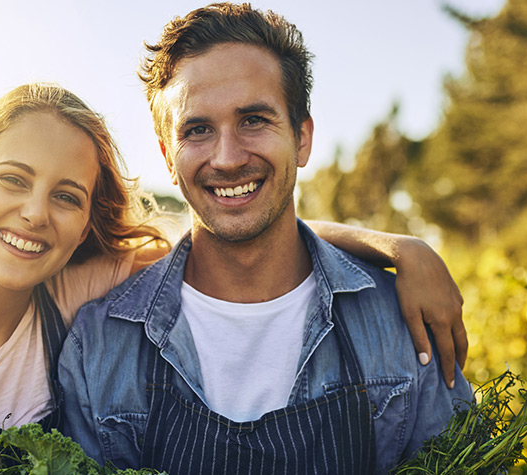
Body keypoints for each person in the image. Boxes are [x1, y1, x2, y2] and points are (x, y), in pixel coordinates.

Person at [0, 82, 463, 474]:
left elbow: (231, 231)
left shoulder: (75, 293)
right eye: (13, 179)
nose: (34, 211)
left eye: (66, 195)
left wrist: (399, 247)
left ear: (85, 224)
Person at [58, 4, 474, 474]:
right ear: (167, 158)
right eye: (197, 129)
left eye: (254, 119)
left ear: (301, 138)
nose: (228, 158)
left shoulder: (398, 321)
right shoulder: (100, 346)